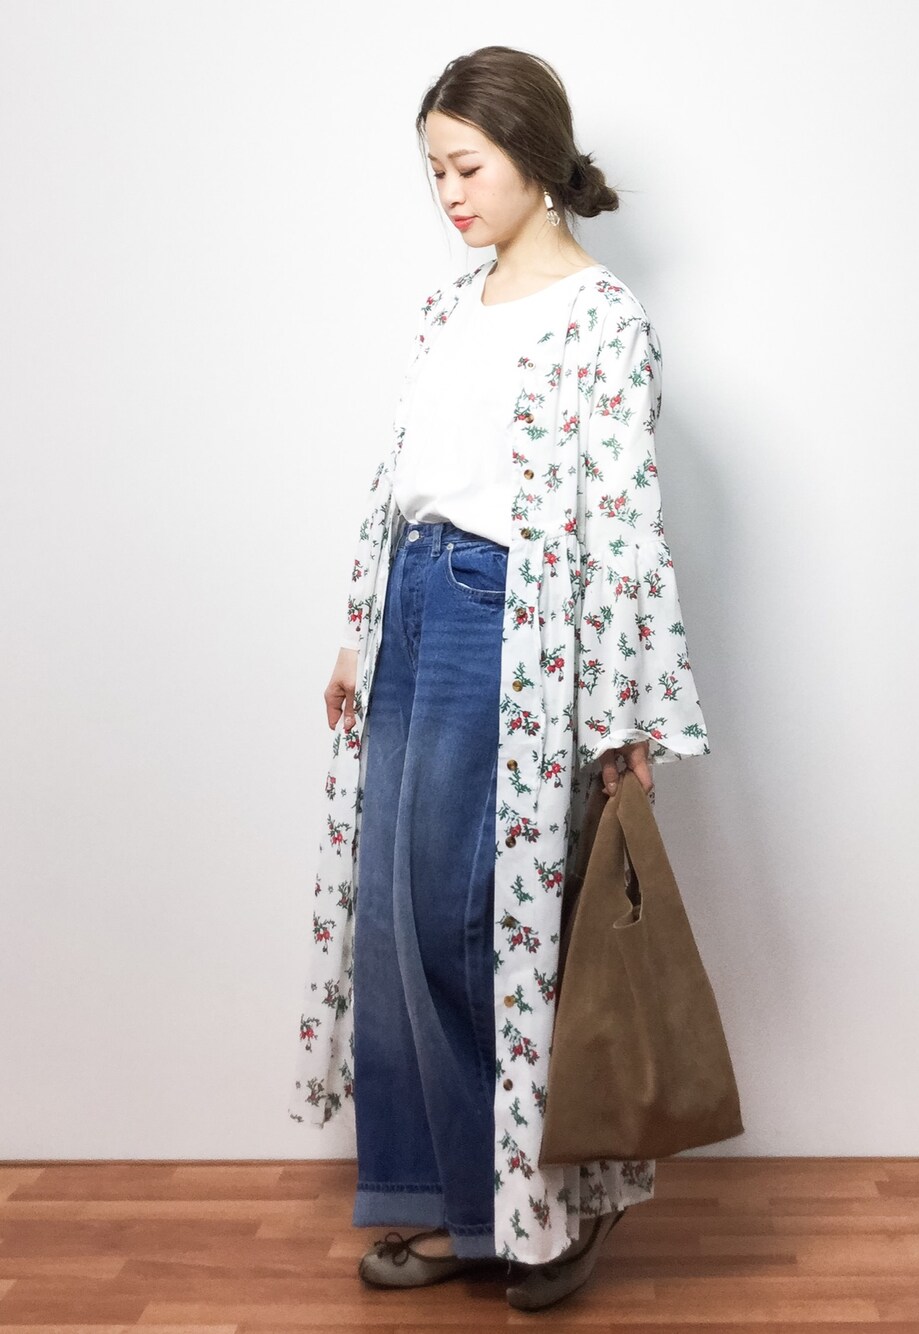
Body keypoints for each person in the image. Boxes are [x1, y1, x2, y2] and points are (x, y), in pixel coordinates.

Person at [289, 44, 712, 1313]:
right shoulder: (447, 306)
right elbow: (405, 476)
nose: (450, 194)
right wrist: (361, 630)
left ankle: (546, 1204)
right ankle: (459, 1202)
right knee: (396, 917)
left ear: (532, 153)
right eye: (434, 172)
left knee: (474, 915)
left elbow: (625, 524)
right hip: (417, 601)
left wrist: (626, 711)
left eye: (466, 166)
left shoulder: (602, 319)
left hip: (507, 619)